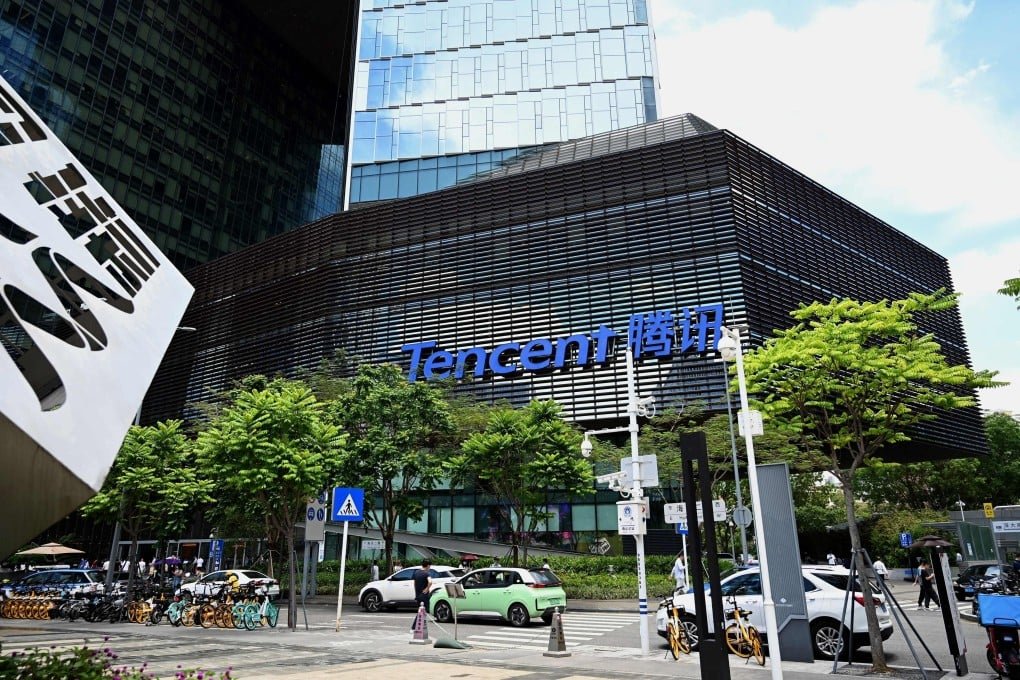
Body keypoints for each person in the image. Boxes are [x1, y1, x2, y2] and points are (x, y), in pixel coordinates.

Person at [411, 559, 433, 631]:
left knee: (420, 611)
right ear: (428, 565)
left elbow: (414, 583)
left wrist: (416, 592)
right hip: (424, 595)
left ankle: (419, 627)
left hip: (418, 595)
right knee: (422, 612)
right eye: (429, 566)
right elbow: (430, 582)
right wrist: (427, 589)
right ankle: (414, 627)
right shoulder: (426, 573)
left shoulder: (416, 572)